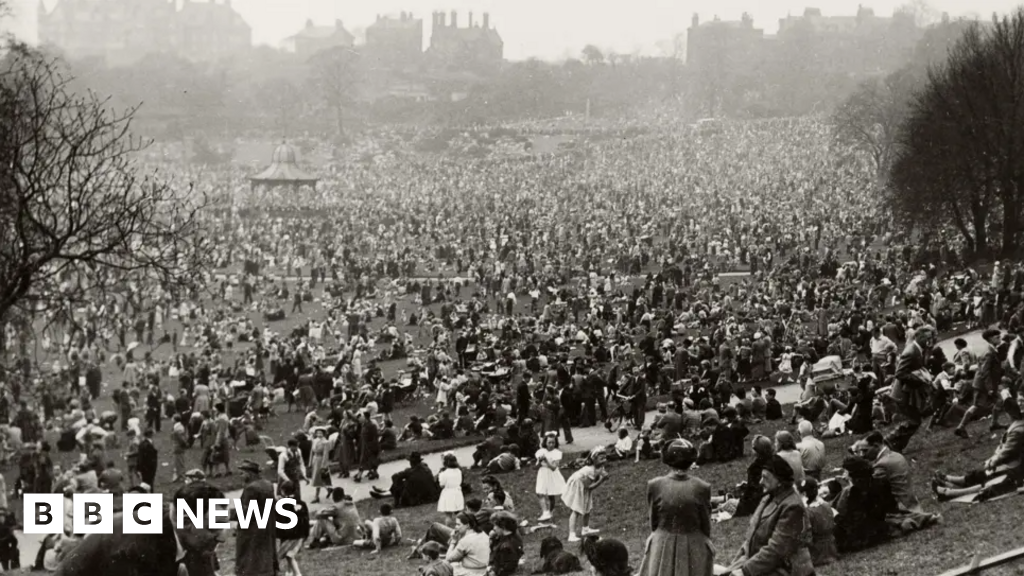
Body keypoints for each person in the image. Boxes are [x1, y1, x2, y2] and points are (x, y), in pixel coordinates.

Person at [54, 482, 226, 576]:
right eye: (213, 528)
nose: (221, 537)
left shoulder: (192, 539)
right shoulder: (139, 547)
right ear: (186, 521)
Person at [725, 455, 815, 576]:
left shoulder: (792, 507)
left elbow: (777, 549)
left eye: (765, 478)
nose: (761, 482)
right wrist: (735, 565)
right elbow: (750, 537)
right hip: (761, 563)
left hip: (785, 568)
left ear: (779, 481)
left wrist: (745, 571)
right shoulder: (768, 497)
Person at [636, 438, 714, 576]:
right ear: (691, 461)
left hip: (662, 542)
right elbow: (705, 523)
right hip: (693, 542)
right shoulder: (701, 487)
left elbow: (654, 521)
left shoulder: (655, 485)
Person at [933, 391, 1024, 501]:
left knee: (991, 480)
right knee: (983, 474)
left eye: (1022, 402)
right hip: (1013, 464)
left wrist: (993, 461)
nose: (1020, 405)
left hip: (1016, 468)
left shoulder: (1019, 428)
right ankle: (951, 482)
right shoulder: (1018, 423)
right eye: (1019, 401)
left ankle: (951, 492)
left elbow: (1008, 451)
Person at [886, 325, 936, 452]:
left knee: (915, 419)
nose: (929, 341)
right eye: (927, 338)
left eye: (930, 338)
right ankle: (890, 440)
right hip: (903, 392)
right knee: (914, 420)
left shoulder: (919, 349)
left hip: (909, 391)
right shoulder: (911, 351)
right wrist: (919, 380)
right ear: (918, 336)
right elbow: (900, 373)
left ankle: (896, 445)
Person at [832, 455, 896, 553]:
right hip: (882, 527)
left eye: (846, 472)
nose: (844, 474)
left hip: (861, 535)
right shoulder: (881, 482)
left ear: (853, 475)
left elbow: (844, 519)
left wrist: (847, 488)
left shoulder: (852, 492)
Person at [955, 328, 1006, 439]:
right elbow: (985, 371)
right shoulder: (988, 352)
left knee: (999, 400)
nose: (1000, 339)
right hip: (983, 384)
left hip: (987, 383)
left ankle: (994, 423)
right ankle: (961, 427)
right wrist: (989, 388)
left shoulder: (991, 349)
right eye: (997, 337)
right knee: (976, 406)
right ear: (990, 339)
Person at [236, 459, 278, 576]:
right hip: (267, 525)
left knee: (251, 557)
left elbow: (245, 512)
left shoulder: (251, 488)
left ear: (249, 473)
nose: (241, 476)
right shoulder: (268, 484)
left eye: (242, 473)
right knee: (266, 553)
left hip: (252, 529)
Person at [561, 447, 609, 543]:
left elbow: (594, 480)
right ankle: (572, 534)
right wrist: (602, 480)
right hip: (578, 486)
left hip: (584, 486)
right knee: (577, 509)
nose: (604, 460)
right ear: (593, 459)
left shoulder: (600, 467)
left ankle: (585, 529)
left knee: (587, 506)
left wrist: (601, 476)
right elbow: (589, 486)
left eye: (604, 458)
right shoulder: (589, 470)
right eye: (601, 458)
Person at [370, 452, 442, 508]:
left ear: (411, 462)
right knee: (405, 482)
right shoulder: (426, 468)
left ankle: (394, 500)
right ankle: (384, 491)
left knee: (399, 482)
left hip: (417, 497)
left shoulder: (409, 471)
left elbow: (395, 477)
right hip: (430, 495)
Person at [799, 478, 837, 567]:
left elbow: (806, 538)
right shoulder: (826, 505)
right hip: (832, 549)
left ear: (804, 494)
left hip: (817, 554)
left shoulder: (807, 512)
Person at [735, 435, 775, 518]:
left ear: (756, 451)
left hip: (757, 503)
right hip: (774, 500)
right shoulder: (776, 461)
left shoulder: (754, 468)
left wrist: (741, 504)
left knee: (728, 503)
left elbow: (751, 492)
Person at [275, 480, 310, 576]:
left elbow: (280, 522)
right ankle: (290, 572)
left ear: (283, 491)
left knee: (287, 555)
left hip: (289, 535)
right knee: (289, 554)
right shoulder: (301, 503)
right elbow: (306, 519)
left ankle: (297, 573)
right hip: (301, 534)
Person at [535, 433, 566, 522]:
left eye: (553, 443)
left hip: (552, 475)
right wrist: (539, 461)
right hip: (542, 474)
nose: (551, 445)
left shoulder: (557, 453)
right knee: (540, 492)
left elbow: (553, 467)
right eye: (549, 442)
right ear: (545, 442)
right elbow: (536, 467)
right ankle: (545, 512)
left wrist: (546, 460)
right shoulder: (541, 452)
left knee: (551, 495)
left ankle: (550, 511)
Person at [438, 453, 466, 523]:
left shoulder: (443, 473)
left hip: (448, 494)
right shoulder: (459, 471)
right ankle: (460, 525)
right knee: (459, 513)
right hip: (457, 492)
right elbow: (461, 481)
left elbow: (442, 485)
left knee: (448, 515)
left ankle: (448, 529)